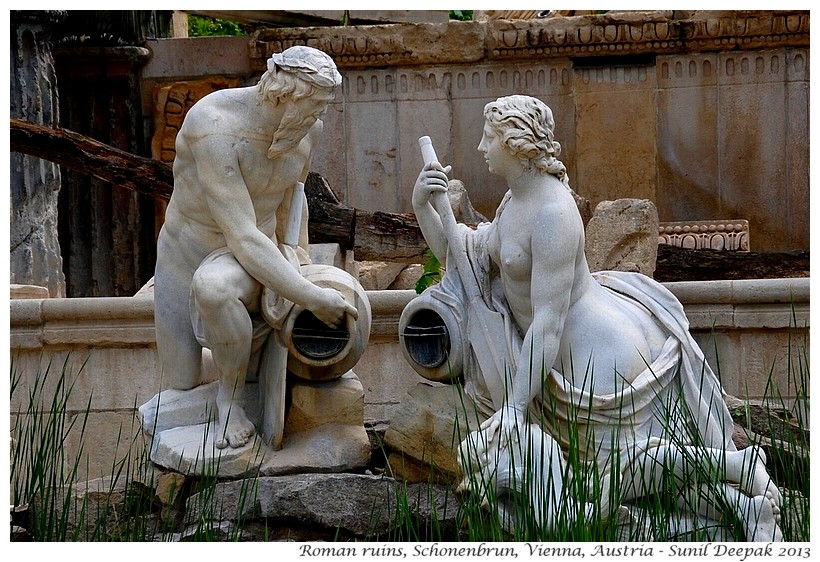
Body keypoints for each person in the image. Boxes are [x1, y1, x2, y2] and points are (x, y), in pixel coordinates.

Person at [411, 94, 782, 540]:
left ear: (515, 143)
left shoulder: (553, 214)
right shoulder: (514, 201)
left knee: (620, 473)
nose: (479, 147)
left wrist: (514, 407)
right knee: (614, 485)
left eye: (489, 137)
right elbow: (464, 259)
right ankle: (741, 507)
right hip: (549, 365)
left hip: (594, 360)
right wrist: (423, 207)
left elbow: (547, 322)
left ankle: (736, 467)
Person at [154, 46, 357, 450]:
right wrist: (312, 296)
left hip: (244, 260)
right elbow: (242, 236)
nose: (319, 118)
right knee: (179, 382)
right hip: (190, 254)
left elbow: (290, 197)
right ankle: (236, 362)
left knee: (216, 289)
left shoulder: (304, 128)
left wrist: (296, 259)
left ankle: (229, 401)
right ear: (284, 97)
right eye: (314, 106)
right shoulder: (213, 127)